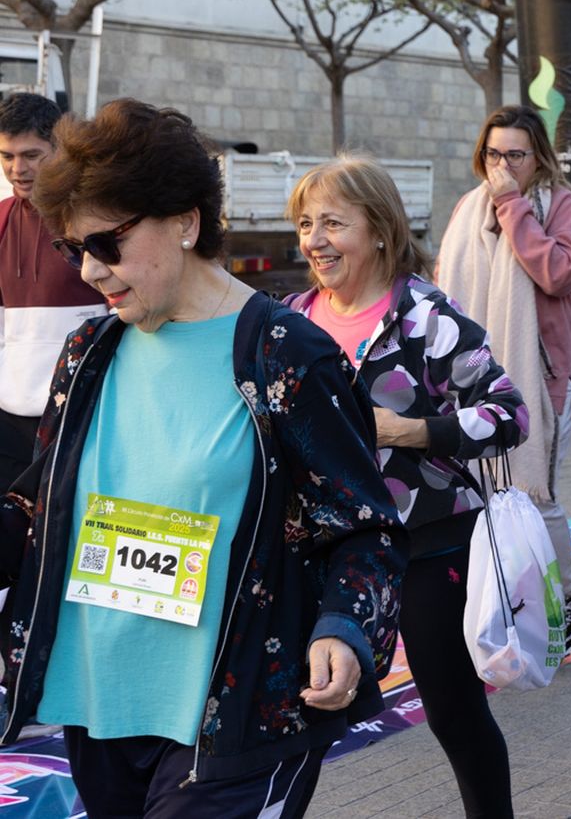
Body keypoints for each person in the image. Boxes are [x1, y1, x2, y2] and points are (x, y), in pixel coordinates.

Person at [0, 98, 406, 816]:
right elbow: (40, 509)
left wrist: (345, 628)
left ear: (185, 222)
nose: (90, 270)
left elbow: (364, 527)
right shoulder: (87, 352)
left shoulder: (287, 355)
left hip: (238, 718)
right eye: (72, 248)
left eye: (107, 244)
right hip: (97, 700)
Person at [286, 156, 528, 818]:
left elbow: (510, 414)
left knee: (454, 713)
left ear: (380, 230)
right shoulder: (291, 321)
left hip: (428, 543)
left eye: (334, 223)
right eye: (306, 224)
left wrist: (410, 430)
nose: (315, 240)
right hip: (324, 552)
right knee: (300, 715)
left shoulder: (425, 316)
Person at [437, 105, 571, 658]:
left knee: (534, 496)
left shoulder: (560, 205)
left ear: (538, 157)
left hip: (542, 381)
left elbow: (559, 273)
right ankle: (509, 603)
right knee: (482, 498)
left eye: (515, 155)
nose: (501, 166)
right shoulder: (467, 209)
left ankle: (570, 596)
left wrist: (511, 205)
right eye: (493, 154)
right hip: (476, 381)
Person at [0, 93, 105, 490]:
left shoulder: (90, 219)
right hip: (8, 414)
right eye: (7, 156)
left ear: (59, 149)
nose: (17, 169)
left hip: (76, 410)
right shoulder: (1, 218)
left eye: (31, 155)